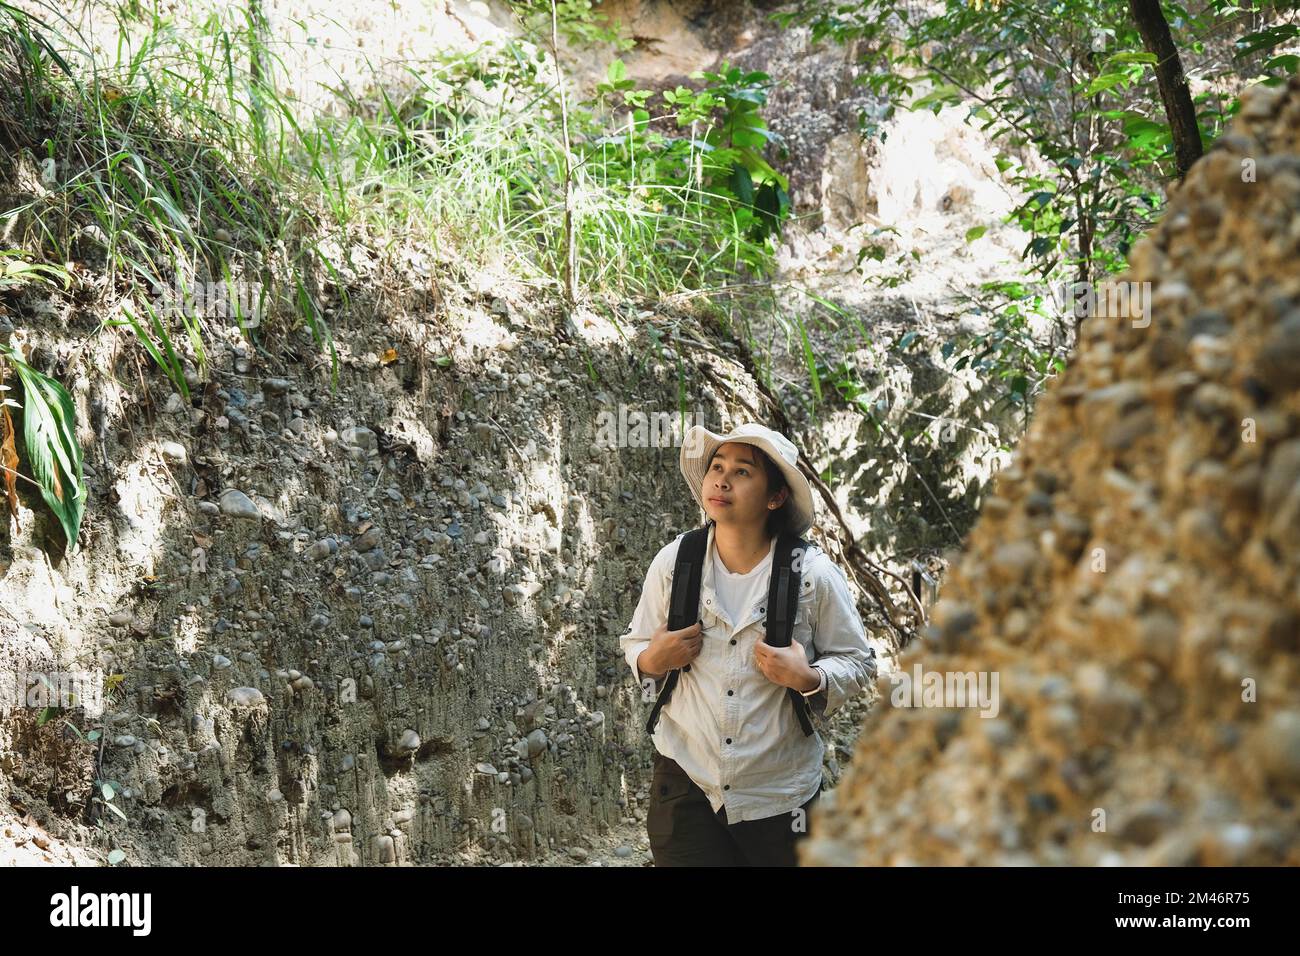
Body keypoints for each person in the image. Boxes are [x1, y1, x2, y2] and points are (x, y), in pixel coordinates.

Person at [620, 422, 878, 866]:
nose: (721, 479)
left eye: (742, 472)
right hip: (687, 784)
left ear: (775, 497)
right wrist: (652, 658)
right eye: (716, 467)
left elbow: (859, 661)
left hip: (780, 793)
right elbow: (637, 642)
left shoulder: (811, 574)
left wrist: (810, 677)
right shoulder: (675, 561)